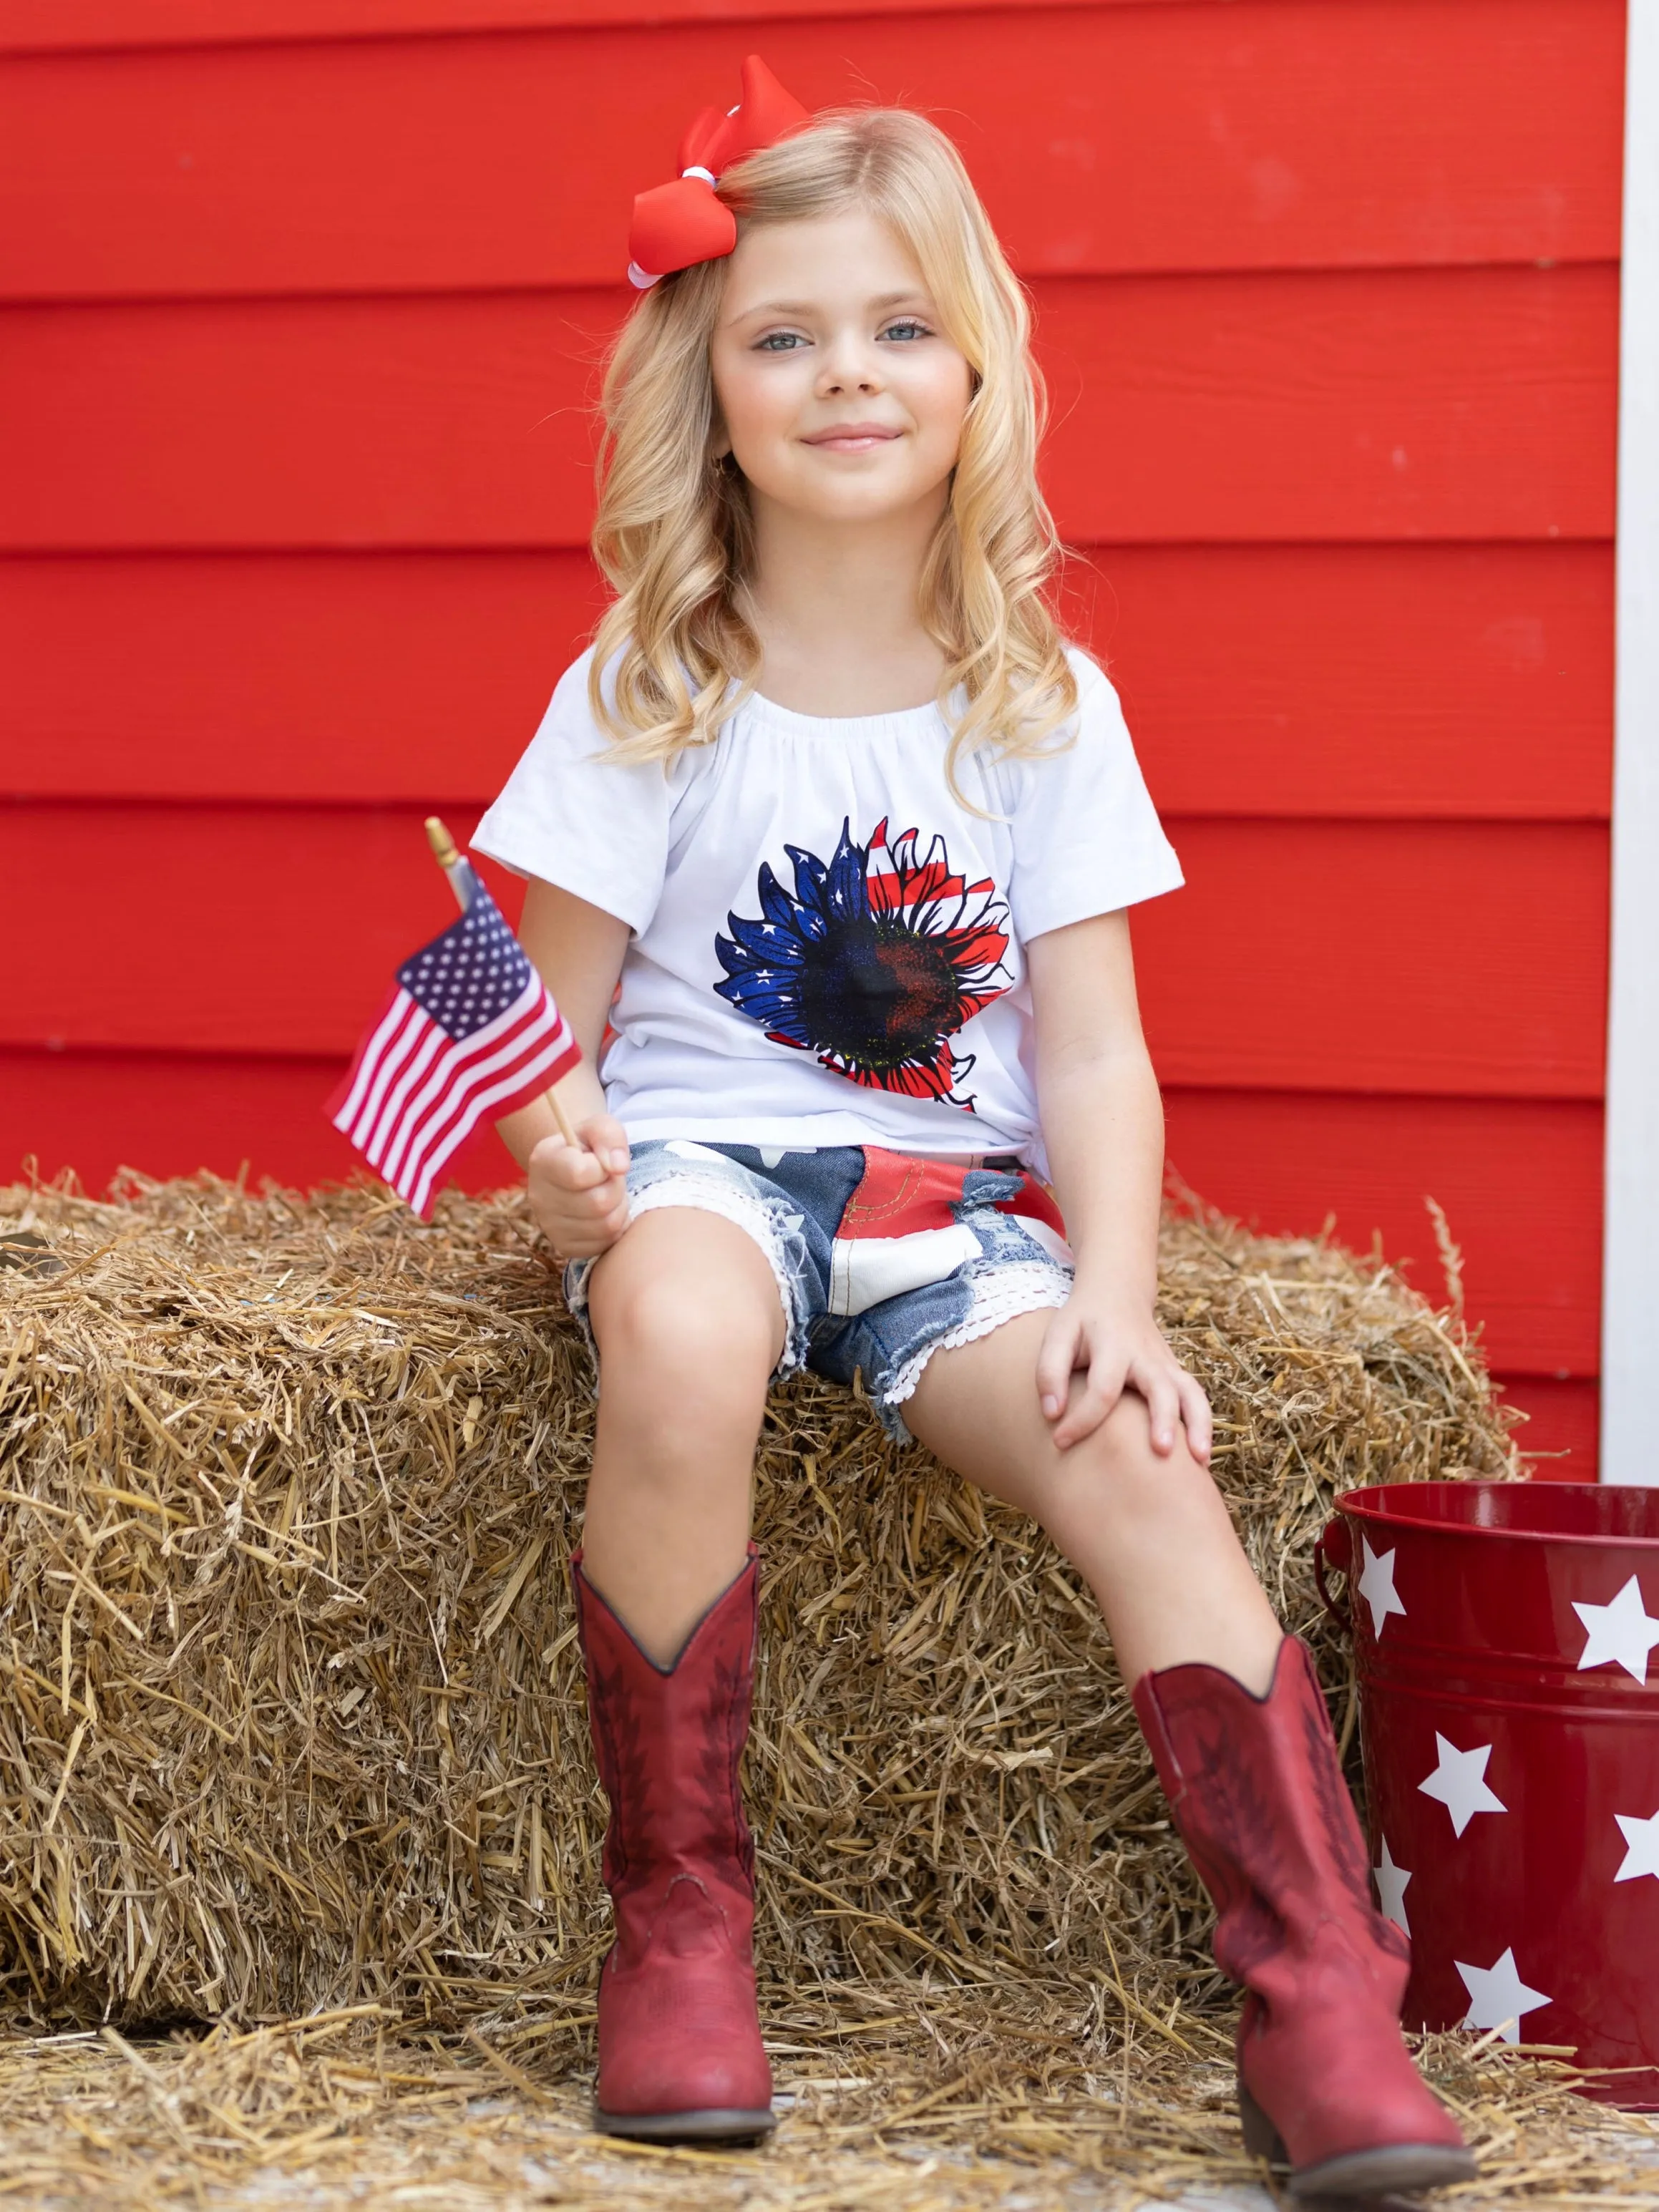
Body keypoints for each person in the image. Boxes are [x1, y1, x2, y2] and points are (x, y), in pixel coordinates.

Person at [474, 55, 1476, 2199]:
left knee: (1129, 1446)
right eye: (785, 333)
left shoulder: (1039, 701)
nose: (848, 373)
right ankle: (682, 1922)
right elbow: (541, 1047)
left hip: (952, 1216)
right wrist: (563, 1183)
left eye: (897, 325)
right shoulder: (649, 682)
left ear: (976, 370)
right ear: (709, 390)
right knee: (676, 1331)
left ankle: (1313, 1987)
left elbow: (1094, 1055)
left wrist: (1114, 1294)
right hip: (705, 1179)